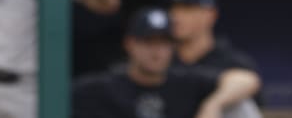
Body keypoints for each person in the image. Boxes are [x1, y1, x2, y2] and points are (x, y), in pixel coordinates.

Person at [72, 7, 262, 118]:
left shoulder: (185, 81)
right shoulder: (102, 88)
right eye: (148, 43)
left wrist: (213, 104)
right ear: (130, 44)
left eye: (164, 43)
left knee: (240, 106)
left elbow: (246, 79)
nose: (157, 52)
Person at [166, 0, 264, 118]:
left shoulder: (232, 61)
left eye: (187, 9)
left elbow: (249, 81)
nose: (176, 17)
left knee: (240, 105)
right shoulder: (159, 60)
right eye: (173, 9)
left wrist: (213, 104)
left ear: (211, 15)